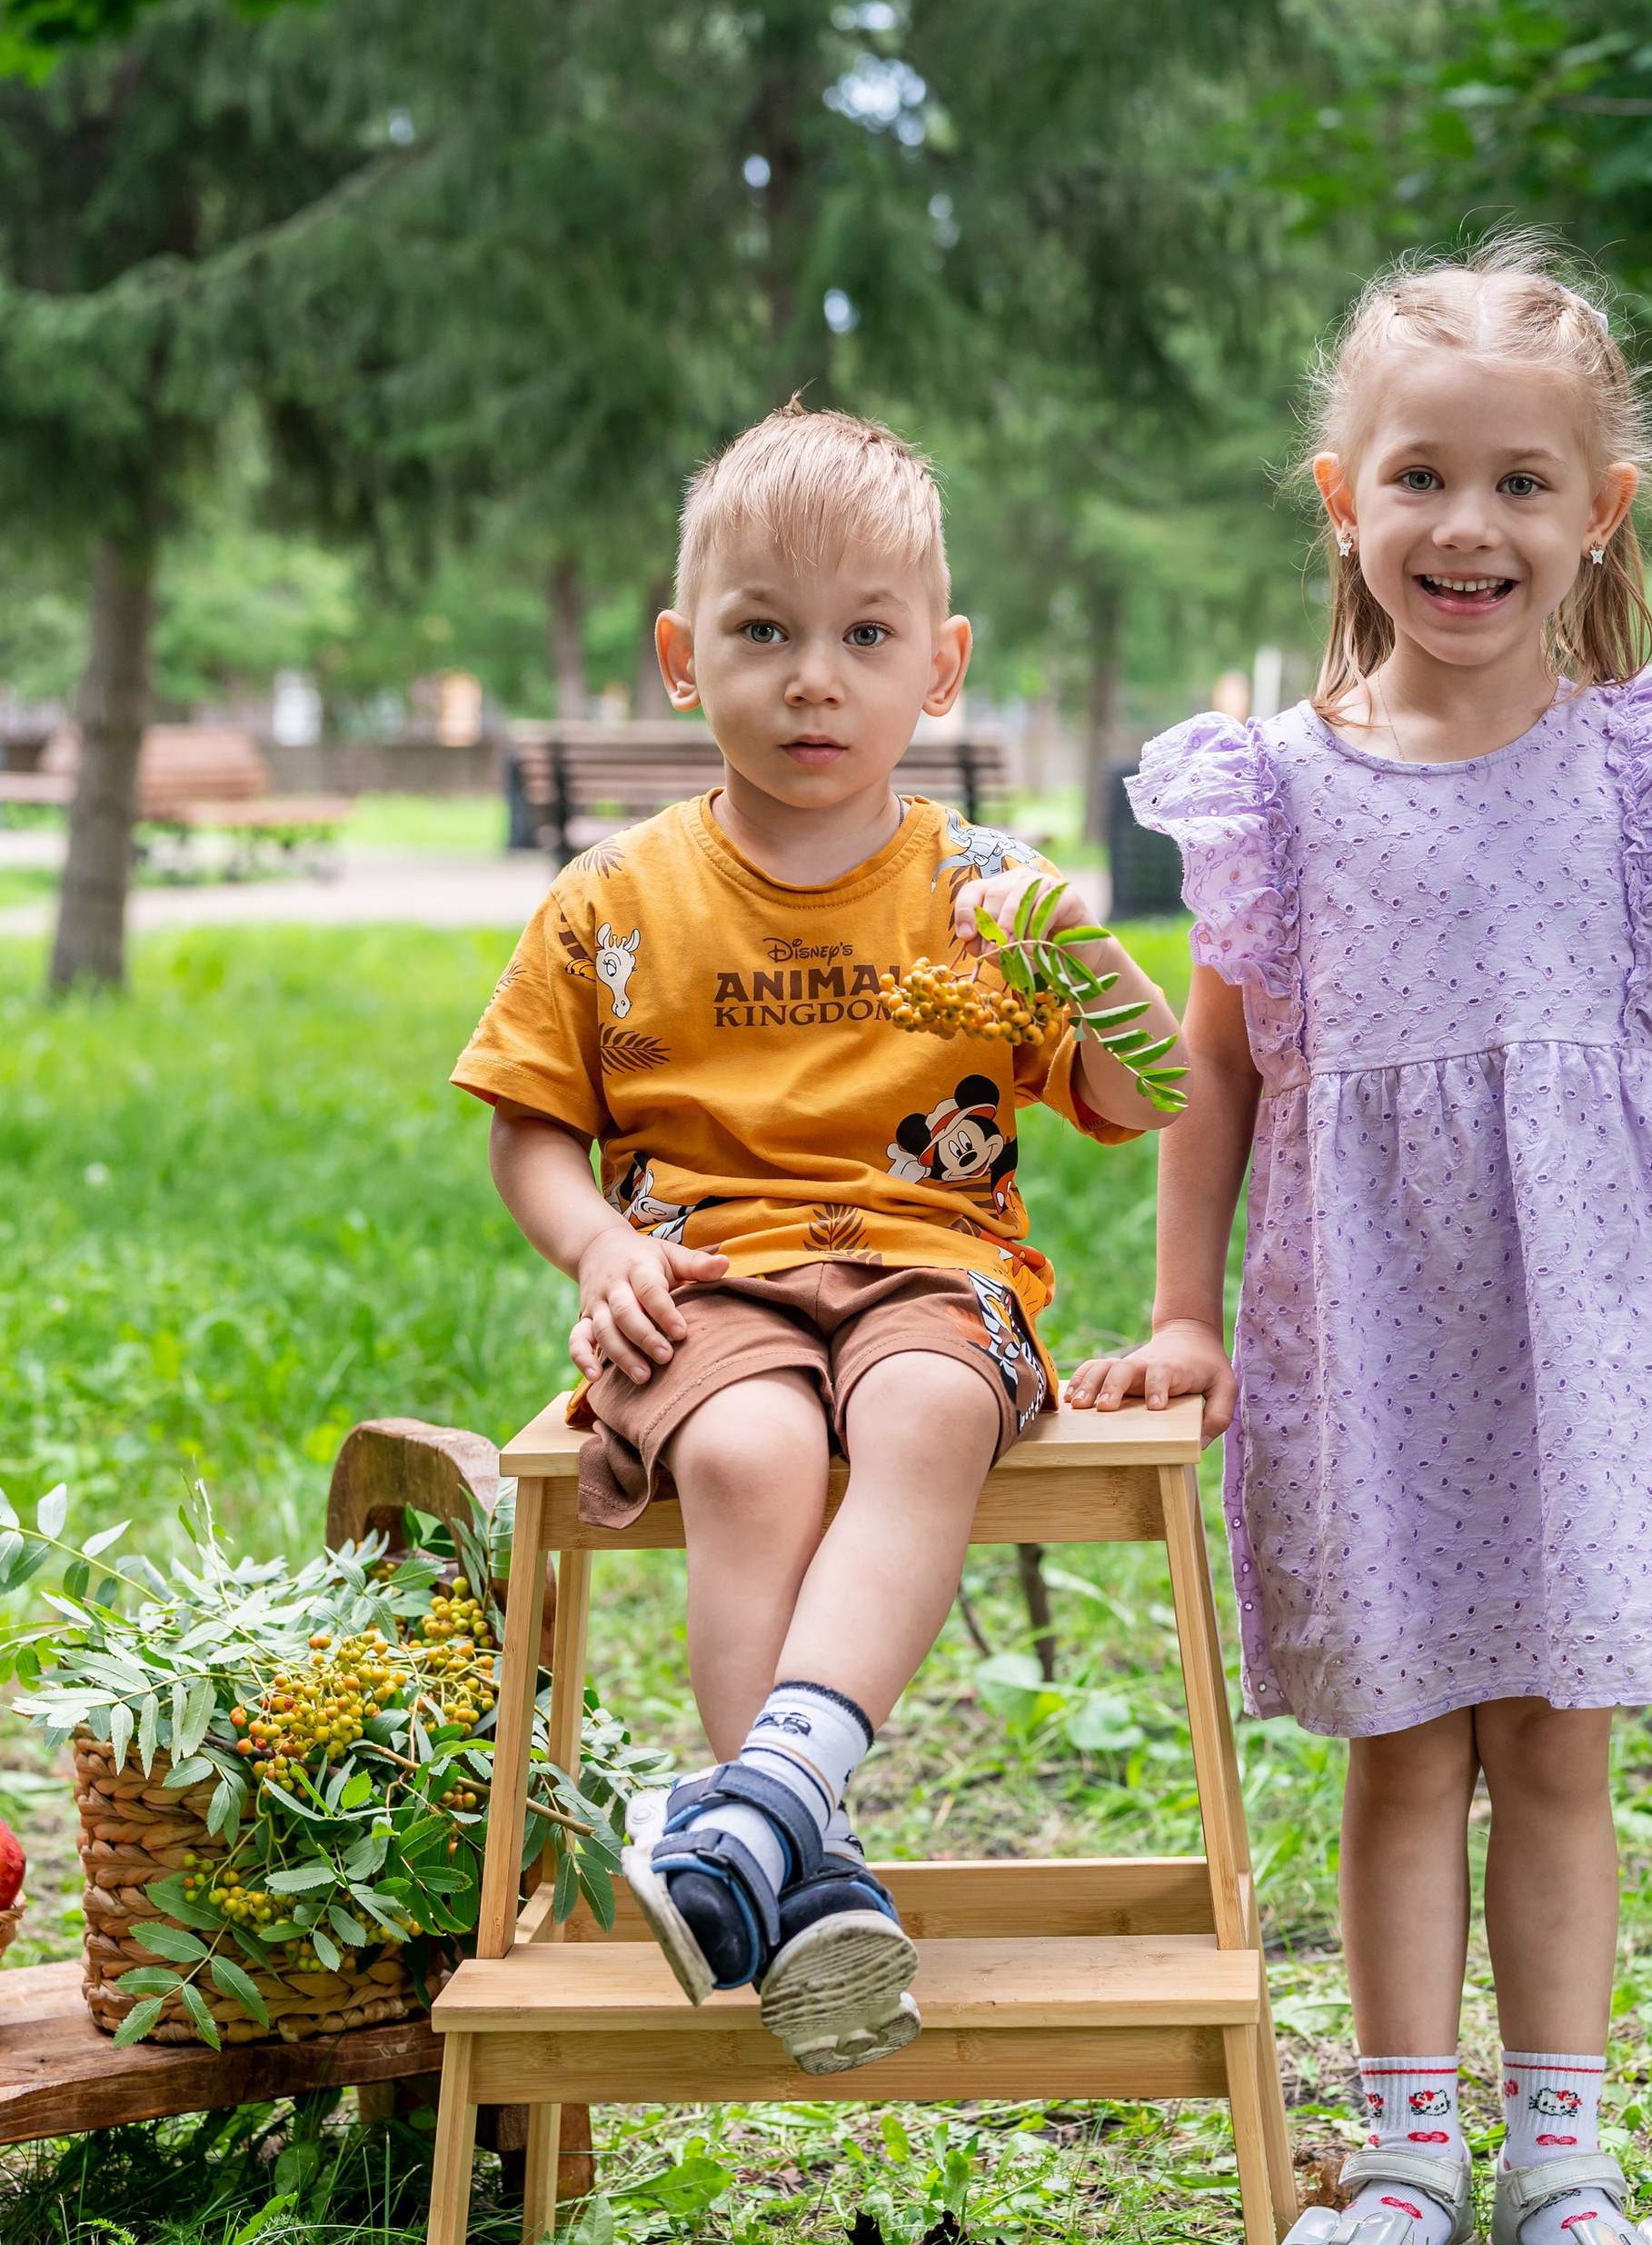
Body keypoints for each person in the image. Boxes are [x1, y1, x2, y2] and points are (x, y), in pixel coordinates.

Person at [1068, 241, 1652, 2245]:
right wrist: (1182, 1312)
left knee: (1554, 1756)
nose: (1465, 526)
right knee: (1395, 1755)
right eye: (1419, 478)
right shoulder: (1276, 794)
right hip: (1367, 1342)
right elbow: (1214, 1074)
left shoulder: (1637, 776)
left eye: (1517, 483)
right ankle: (1398, 2160)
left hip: (1588, 1342)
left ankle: (1561, 2161)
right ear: (1339, 497)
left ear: (1597, 511)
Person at [453, 405, 1180, 2076]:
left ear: (941, 666)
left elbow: (1150, 1098)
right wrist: (598, 1252)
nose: (812, 681)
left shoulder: (988, 894)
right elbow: (530, 1128)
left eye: (865, 637)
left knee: (924, 1410)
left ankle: (758, 1800)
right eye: (763, 633)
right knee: (752, 1453)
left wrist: (1083, 949)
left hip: (937, 1268)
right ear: (681, 659)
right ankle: (798, 1864)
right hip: (705, 1275)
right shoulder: (612, 900)